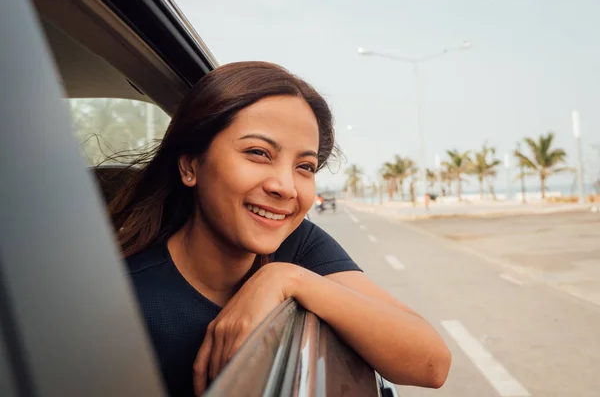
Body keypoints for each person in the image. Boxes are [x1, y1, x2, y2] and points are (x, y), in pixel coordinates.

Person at [109, 61, 451, 396]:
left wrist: (286, 279)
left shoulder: (295, 245)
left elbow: (432, 363)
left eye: (305, 166)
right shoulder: (124, 303)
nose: (286, 187)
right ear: (190, 166)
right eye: (258, 153)